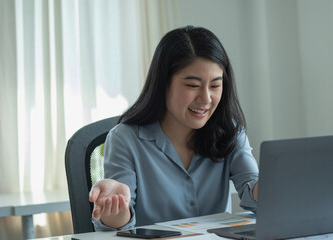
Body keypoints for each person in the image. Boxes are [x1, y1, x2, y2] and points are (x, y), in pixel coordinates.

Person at [89, 25, 259, 231]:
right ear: (163, 84)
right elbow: (117, 230)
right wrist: (117, 206)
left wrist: (277, 185)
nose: (206, 98)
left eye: (215, 86)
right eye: (192, 86)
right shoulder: (125, 139)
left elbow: (256, 194)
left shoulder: (230, 131)